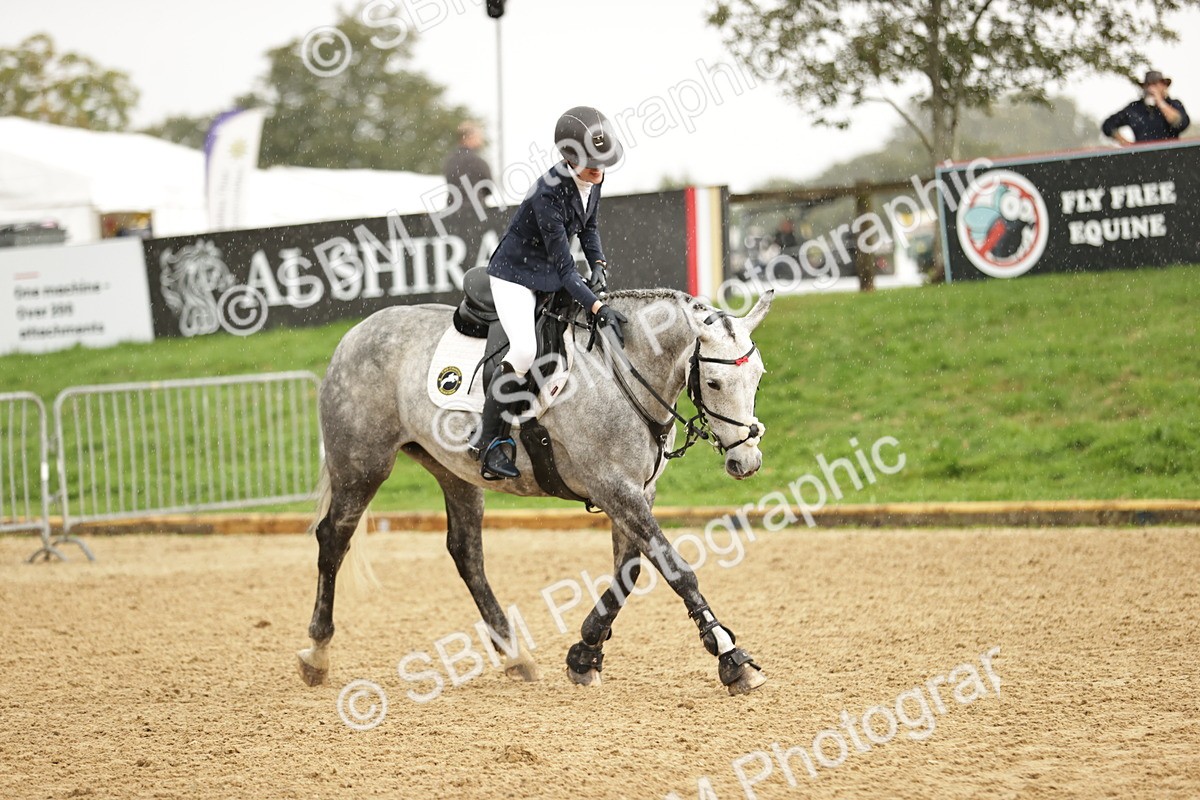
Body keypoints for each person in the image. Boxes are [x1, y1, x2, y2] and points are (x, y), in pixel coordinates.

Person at [471, 106, 627, 480]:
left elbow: (589, 228)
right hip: (514, 276)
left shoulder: (595, 176)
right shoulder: (547, 194)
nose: (598, 170)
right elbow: (564, 268)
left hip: (548, 275)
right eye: (591, 163)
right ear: (569, 158)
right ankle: (488, 442)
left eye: (603, 163)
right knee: (525, 349)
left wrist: (600, 268)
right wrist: (596, 306)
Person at [1102, 70, 1190, 144]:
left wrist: (1160, 102)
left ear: (1163, 86)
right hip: (1144, 159)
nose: (1150, 89)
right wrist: (1127, 144)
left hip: (1170, 156)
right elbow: (1108, 125)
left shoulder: (1174, 104)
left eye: (1155, 84)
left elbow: (1181, 123)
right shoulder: (1135, 108)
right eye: (1148, 85)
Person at [443, 120, 494, 207]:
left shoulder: (449, 161)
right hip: (477, 211)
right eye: (478, 137)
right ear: (470, 137)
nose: (481, 140)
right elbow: (488, 188)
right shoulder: (478, 162)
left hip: (453, 212)